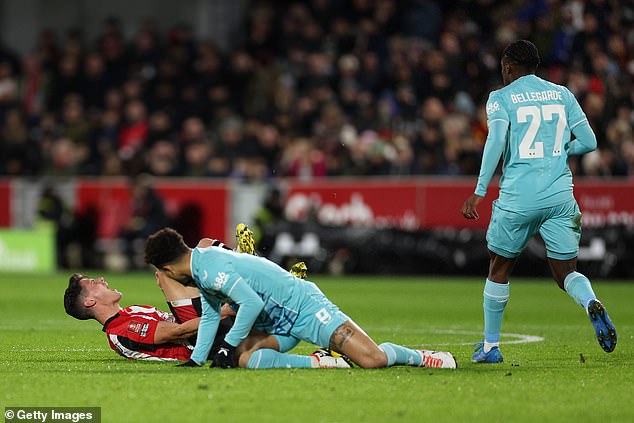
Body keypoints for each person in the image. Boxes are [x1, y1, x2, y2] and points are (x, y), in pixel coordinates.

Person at [461, 40, 617, 363]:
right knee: (566, 271)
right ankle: (590, 302)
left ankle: (490, 348)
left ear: (507, 67)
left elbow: (496, 140)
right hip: (560, 195)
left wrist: (479, 189)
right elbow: (589, 142)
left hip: (519, 195)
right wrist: (561, 150)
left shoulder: (500, 98)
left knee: (499, 266)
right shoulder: (563, 94)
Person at [143, 227, 457, 369]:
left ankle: (418, 356)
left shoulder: (208, 269)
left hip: (304, 308)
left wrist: (225, 346)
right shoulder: (201, 267)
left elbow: (251, 303)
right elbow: (212, 316)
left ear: (168, 268)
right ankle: (322, 362)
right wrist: (198, 361)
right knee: (245, 359)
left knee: (372, 360)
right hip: (278, 324)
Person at [62, 271, 350, 368]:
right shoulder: (120, 330)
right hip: (197, 343)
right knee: (249, 354)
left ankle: (251, 277)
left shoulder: (129, 312)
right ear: (90, 302)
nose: (101, 279)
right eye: (93, 283)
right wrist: (222, 311)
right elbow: (175, 333)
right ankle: (322, 359)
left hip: (204, 331)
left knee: (192, 255)